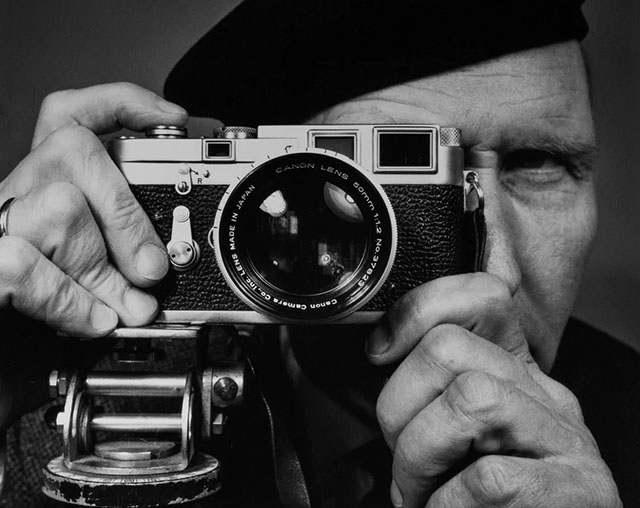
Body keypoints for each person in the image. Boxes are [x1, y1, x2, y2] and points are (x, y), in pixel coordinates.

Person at [1, 0, 639, 506]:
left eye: (540, 163)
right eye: (379, 200)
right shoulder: (107, 395)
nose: (494, 277)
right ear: (246, 200)